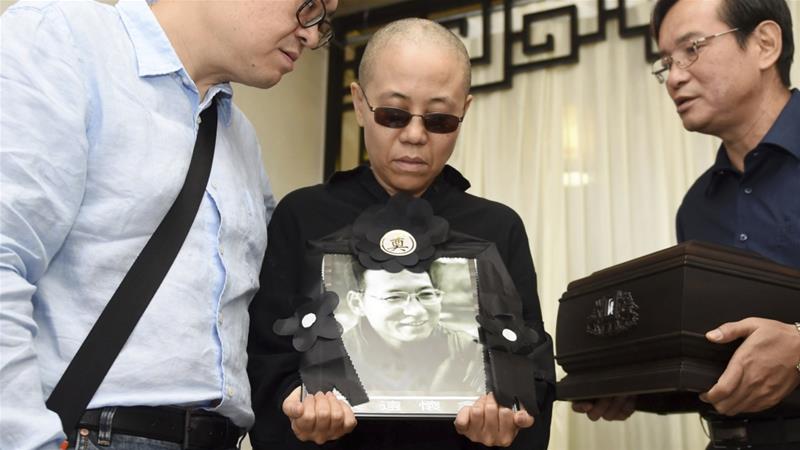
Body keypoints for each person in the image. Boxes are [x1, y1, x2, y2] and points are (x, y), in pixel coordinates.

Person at [0, 0, 336, 449]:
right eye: (309, 6)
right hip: (88, 434)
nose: (312, 34)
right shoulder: (65, 40)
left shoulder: (239, 135)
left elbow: (259, 316)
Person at [247, 17, 555, 450]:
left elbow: (533, 364)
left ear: (464, 111)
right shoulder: (303, 214)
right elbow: (264, 355)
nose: (414, 135)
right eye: (393, 114)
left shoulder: (498, 227)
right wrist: (295, 405)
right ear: (359, 103)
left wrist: (509, 415)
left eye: (440, 120)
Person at [574, 1, 800, 448]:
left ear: (765, 44)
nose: (674, 77)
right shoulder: (697, 206)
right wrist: (636, 384)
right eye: (665, 63)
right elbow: (714, 360)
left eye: (691, 49)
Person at [342, 266, 484, 396]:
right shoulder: (336, 355)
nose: (417, 311)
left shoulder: (468, 351)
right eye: (394, 297)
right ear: (357, 303)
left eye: (426, 294)